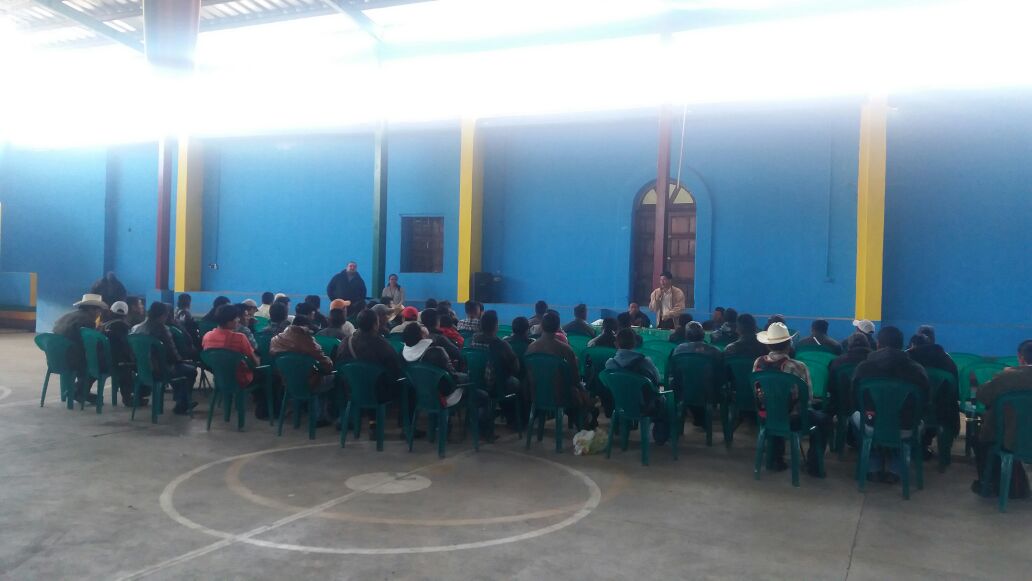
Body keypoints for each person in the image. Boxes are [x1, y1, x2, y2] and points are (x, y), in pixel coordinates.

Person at [850, 326, 930, 483]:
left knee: (855, 417)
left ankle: (872, 465)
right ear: (902, 345)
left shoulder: (863, 368)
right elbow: (925, 403)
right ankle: (897, 469)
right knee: (916, 424)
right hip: (906, 429)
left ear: (878, 344)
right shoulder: (917, 370)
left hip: (872, 425)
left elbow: (854, 401)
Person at [753, 322, 829, 476]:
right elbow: (808, 398)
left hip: (765, 416)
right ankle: (814, 466)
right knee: (824, 420)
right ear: (789, 345)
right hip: (794, 419)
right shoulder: (799, 366)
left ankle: (775, 459)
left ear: (768, 345)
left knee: (776, 409)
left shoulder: (758, 363)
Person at [970, 339, 1032, 499]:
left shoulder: (1007, 377)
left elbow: (982, 396)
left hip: (1011, 439)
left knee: (984, 437)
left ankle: (989, 484)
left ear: (1021, 358)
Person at [525, 312, 596, 427]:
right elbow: (575, 379)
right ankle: (584, 423)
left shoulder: (530, 348)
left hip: (535, 395)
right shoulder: (565, 349)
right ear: (558, 326)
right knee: (580, 392)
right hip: (560, 396)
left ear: (541, 326)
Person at [131, 302, 198, 415]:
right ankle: (182, 405)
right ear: (163, 315)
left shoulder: (136, 328)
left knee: (179, 369)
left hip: (142, 370)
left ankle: (181, 399)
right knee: (190, 371)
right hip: (161, 371)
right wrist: (180, 360)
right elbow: (172, 354)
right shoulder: (163, 329)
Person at [605, 328, 669, 444]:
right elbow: (658, 380)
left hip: (620, 404)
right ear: (635, 343)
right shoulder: (645, 362)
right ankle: (660, 433)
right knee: (665, 400)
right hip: (645, 406)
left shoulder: (610, 364)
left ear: (616, 344)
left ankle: (621, 427)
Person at [907, 330, 960, 455]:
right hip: (944, 412)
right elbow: (955, 393)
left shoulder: (907, 359)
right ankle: (942, 453)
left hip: (912, 412)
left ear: (912, 345)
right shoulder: (948, 361)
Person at [53, 293, 108, 404]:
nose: (99, 314)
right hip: (72, 360)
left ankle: (80, 391)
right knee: (101, 364)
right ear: (92, 309)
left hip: (54, 359)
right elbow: (90, 345)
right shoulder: (87, 321)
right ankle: (78, 390)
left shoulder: (65, 317)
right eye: (99, 311)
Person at [672, 321, 726, 427]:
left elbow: (673, 373)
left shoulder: (678, 350)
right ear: (703, 335)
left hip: (684, 392)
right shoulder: (715, 351)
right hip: (710, 394)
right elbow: (722, 376)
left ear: (686, 336)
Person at [201, 304, 260, 389]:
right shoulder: (240, 338)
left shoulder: (207, 336)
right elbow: (255, 362)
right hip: (240, 380)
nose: (238, 320)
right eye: (236, 318)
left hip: (219, 379)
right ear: (229, 322)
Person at [100, 301, 137, 406]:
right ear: (126, 315)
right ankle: (128, 397)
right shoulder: (124, 327)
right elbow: (125, 347)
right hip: (116, 364)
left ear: (111, 312)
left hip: (100, 362)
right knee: (128, 366)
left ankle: (79, 390)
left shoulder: (103, 325)